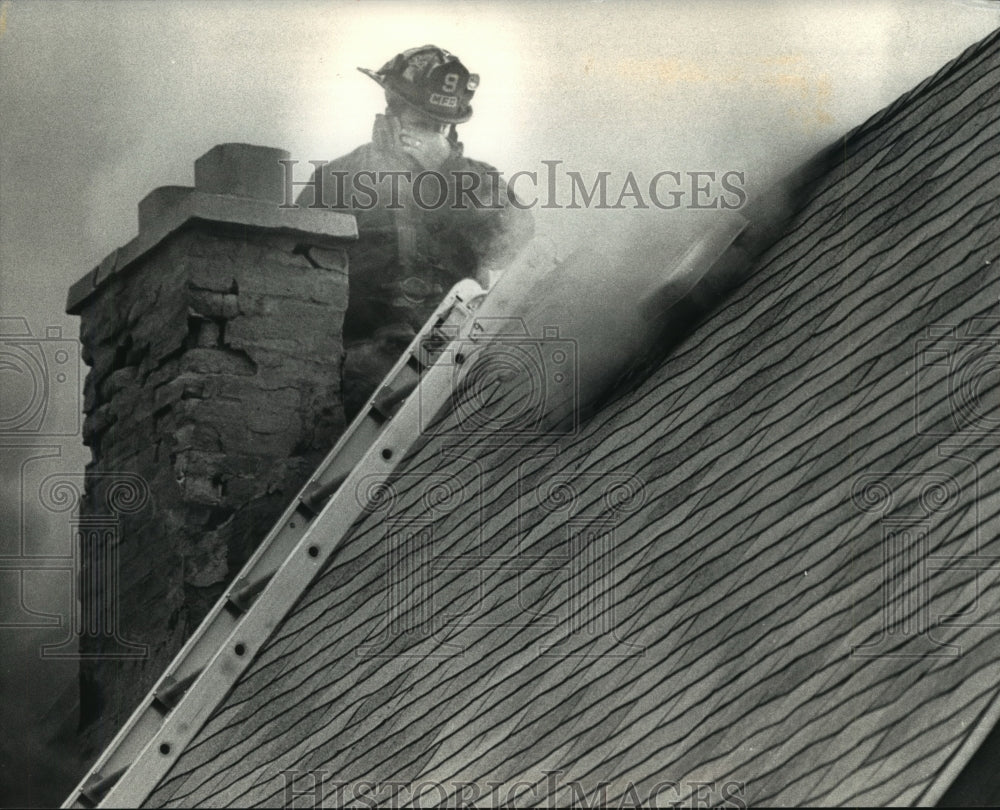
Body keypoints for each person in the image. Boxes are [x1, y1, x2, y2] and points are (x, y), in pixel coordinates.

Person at [298, 45, 534, 420]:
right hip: (358, 366)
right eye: (421, 122)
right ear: (393, 116)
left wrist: (448, 172)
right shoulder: (339, 178)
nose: (433, 135)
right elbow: (295, 276)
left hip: (453, 363)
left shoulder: (477, 180)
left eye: (441, 127)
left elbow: (518, 242)